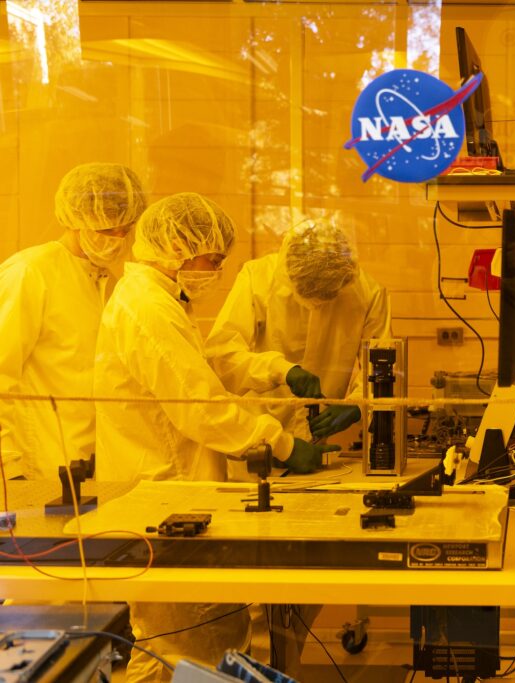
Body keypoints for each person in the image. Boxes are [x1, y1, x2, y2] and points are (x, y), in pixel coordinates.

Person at [93, 193, 339, 681]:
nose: (217, 270)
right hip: (163, 499)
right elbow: (200, 408)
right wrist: (284, 444)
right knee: (183, 647)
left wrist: (275, 369)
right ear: (178, 248)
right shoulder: (148, 309)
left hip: (173, 494)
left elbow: (205, 368)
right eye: (213, 259)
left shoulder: (159, 299)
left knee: (183, 647)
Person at [0, 163, 145, 479]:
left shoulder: (107, 280)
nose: (118, 239)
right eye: (108, 229)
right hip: (38, 469)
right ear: (78, 218)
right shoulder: (31, 272)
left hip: (94, 466)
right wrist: (9, 467)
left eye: (126, 229)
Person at [205, 218, 390, 442]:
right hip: (260, 437)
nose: (316, 304)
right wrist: (281, 370)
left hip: (324, 439)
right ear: (289, 274)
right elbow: (222, 356)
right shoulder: (258, 278)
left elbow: (384, 365)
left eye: (327, 296)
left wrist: (358, 405)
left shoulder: (367, 293)